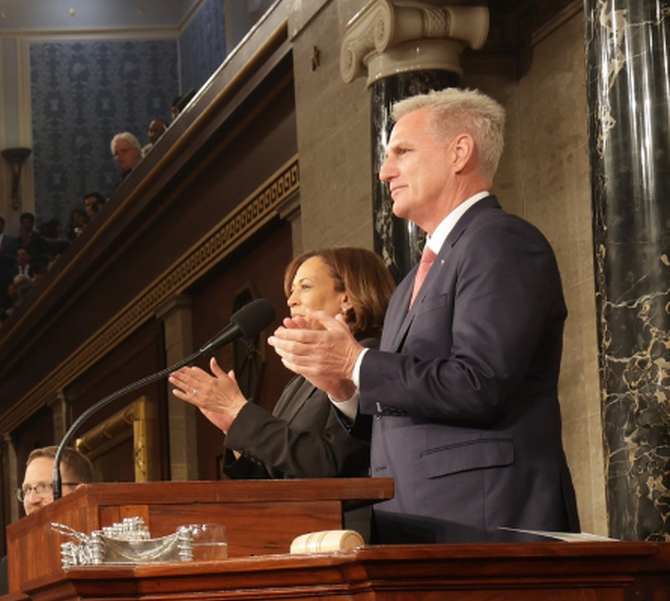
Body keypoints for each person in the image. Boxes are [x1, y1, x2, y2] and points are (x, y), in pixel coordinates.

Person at [269, 87, 579, 543]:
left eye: (402, 152)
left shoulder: (501, 242)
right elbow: (404, 411)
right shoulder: (414, 278)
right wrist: (344, 390)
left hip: (486, 523)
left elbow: (481, 383)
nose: (384, 171)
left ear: (459, 152)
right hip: (413, 524)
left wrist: (355, 362)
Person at [172, 248, 391, 486]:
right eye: (291, 290)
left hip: (350, 520)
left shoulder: (369, 357)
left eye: (305, 287)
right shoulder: (298, 382)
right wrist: (233, 426)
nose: (291, 300)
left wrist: (238, 410)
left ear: (347, 297)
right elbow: (272, 478)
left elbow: (330, 463)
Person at [0, 446, 95, 599]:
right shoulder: (5, 570)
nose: (32, 500)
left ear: (79, 492)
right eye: (27, 489)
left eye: (45, 487)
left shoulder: (107, 555)